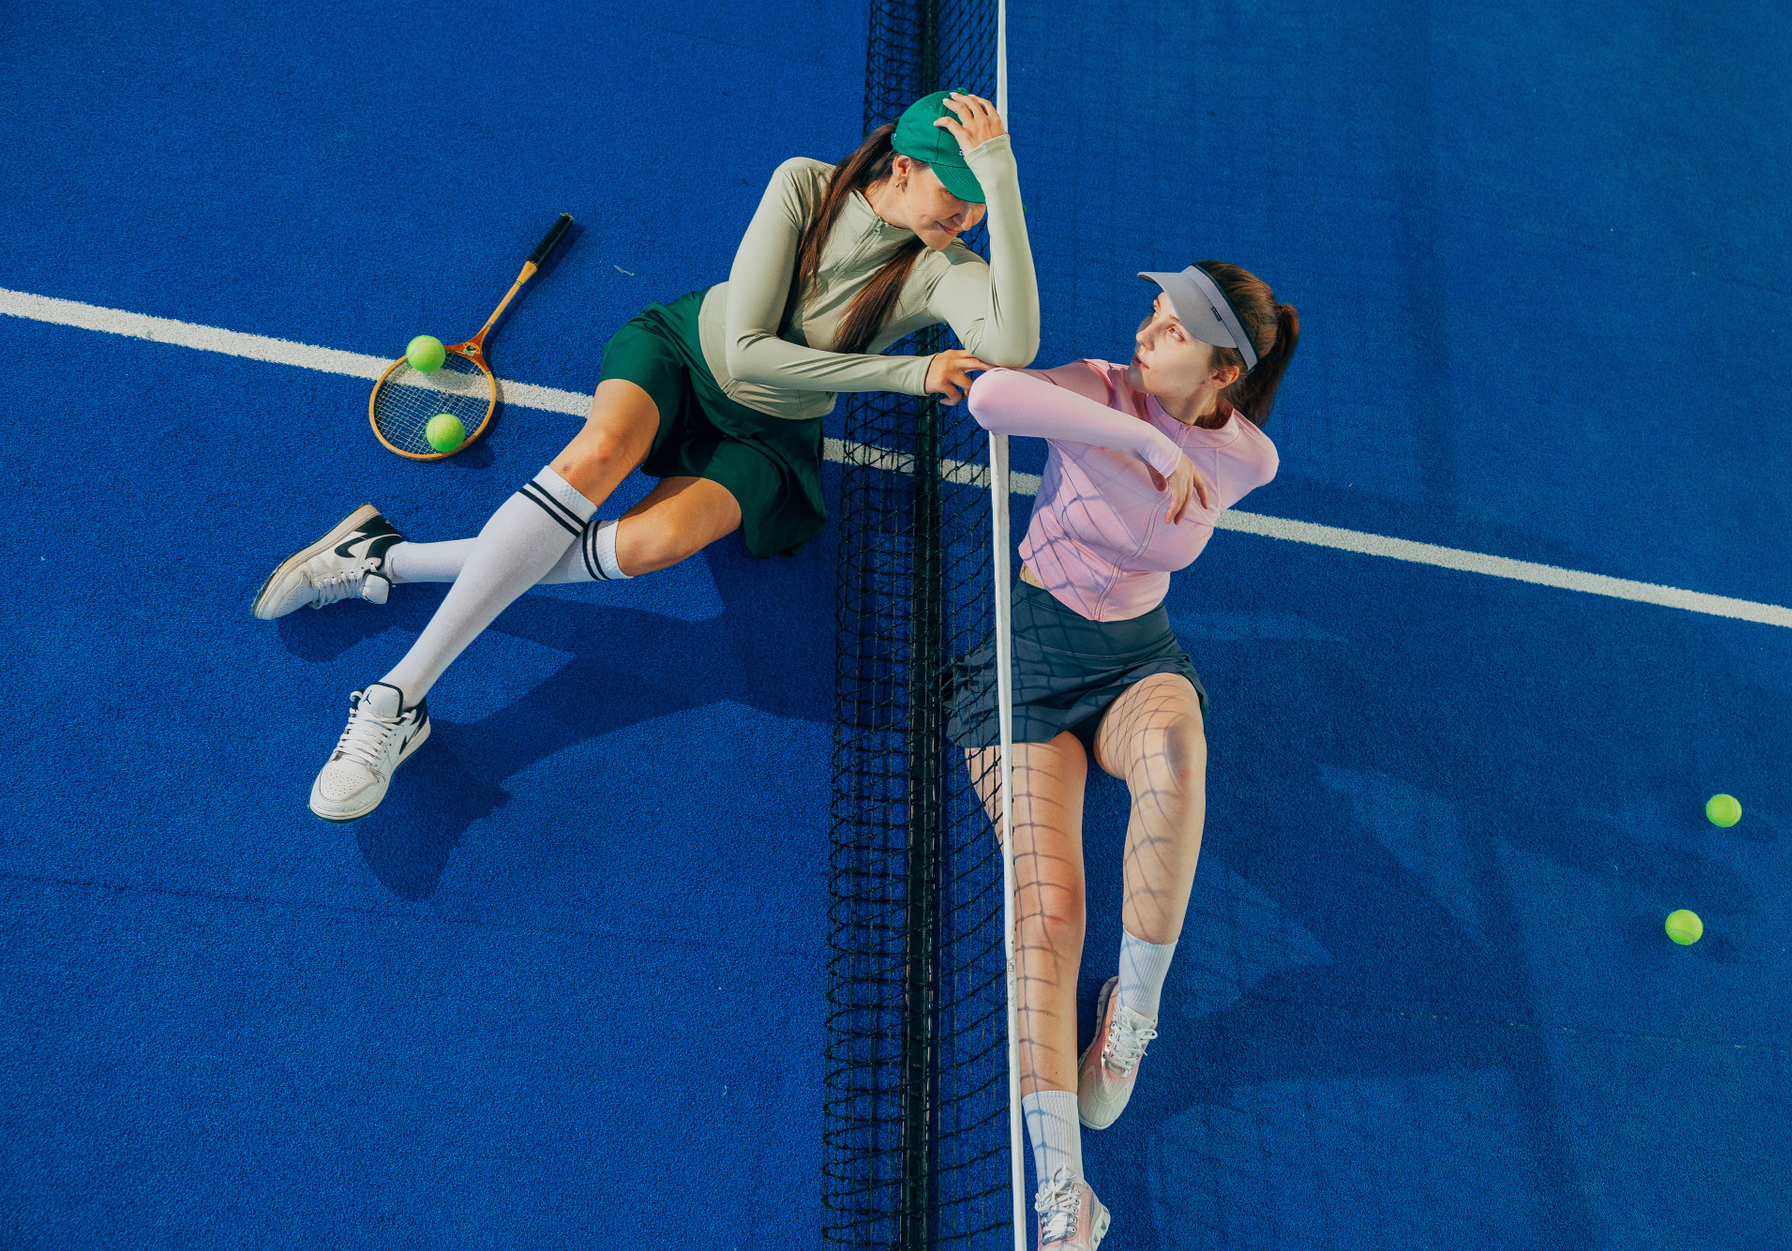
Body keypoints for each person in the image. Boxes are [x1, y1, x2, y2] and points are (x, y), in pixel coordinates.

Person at [253, 90, 1038, 821]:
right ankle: (396, 698)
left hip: (767, 433)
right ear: (903, 167)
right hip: (682, 356)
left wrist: (1000, 181)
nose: (968, 216)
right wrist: (907, 374)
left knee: (655, 545)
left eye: (982, 200)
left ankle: (386, 559)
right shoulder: (805, 185)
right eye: (958, 192)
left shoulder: (939, 266)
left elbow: (1013, 345)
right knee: (596, 454)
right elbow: (748, 349)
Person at [946, 261, 1298, 1249]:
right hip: (1027, 661)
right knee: (1050, 909)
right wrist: (1144, 435)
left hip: (1139, 658)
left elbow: (1219, 470)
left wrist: (1177, 443)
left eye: (1173, 328)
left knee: (1179, 759)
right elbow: (990, 397)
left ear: (1223, 372)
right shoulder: (1099, 390)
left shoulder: (1251, 459)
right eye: (1153, 311)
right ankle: (1066, 1194)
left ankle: (1129, 1018)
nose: (1147, 332)